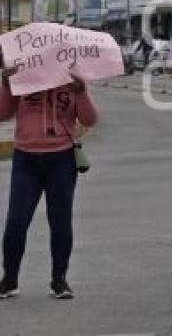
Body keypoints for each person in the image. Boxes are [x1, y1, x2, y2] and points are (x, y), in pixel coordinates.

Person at [0, 66, 98, 300]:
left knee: (60, 221)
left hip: (61, 159)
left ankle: (59, 279)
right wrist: (5, 85)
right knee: (16, 221)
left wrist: (81, 91)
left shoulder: (74, 77)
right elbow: (2, 113)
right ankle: (9, 279)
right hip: (26, 158)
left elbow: (89, 119)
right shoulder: (22, 73)